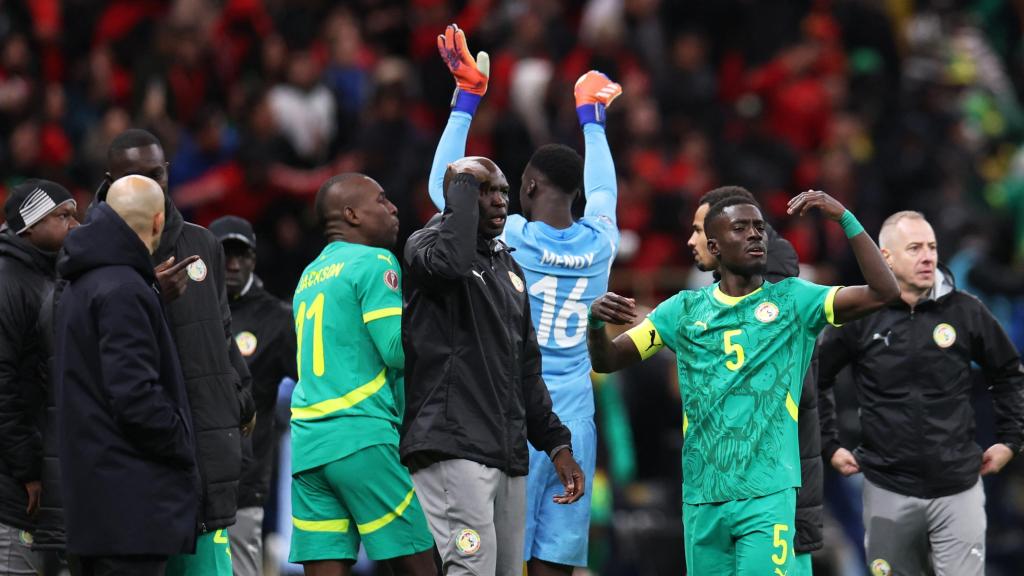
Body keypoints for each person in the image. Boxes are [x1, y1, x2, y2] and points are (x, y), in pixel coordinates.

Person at [587, 191, 900, 575]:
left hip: (766, 496)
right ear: (714, 247)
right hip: (702, 499)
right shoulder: (681, 311)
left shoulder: (795, 301)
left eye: (758, 227)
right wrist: (595, 323)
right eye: (741, 228)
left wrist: (845, 218)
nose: (755, 235)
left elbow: (884, 292)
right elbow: (606, 360)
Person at [424, 23, 620, 575]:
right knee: (555, 560)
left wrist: (466, 99)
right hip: (573, 420)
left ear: (528, 188)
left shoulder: (511, 237)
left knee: (495, 556)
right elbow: (604, 191)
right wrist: (592, 118)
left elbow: (446, 189)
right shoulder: (601, 242)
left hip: (511, 413)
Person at [402, 154, 584, 576]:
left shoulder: (508, 268)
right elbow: (451, 263)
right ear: (459, 197)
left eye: (503, 190)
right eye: (484, 190)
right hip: (452, 445)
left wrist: (557, 444)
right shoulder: (425, 245)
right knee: (471, 567)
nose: (500, 200)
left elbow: (525, 369)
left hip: (506, 452)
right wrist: (461, 188)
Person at [816, 210, 1024, 576]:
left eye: (931, 247)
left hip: (958, 486)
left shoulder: (966, 312)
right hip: (886, 487)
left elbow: (1008, 373)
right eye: (914, 248)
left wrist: (1011, 439)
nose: (928, 256)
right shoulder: (860, 317)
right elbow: (815, 378)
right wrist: (829, 444)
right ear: (886, 257)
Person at [102, 129, 255, 576]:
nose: (149, 187)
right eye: (133, 177)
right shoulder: (87, 254)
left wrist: (238, 397)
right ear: (110, 180)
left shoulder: (202, 243)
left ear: (168, 173)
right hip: (134, 468)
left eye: (156, 175)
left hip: (203, 462)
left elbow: (223, 335)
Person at [288, 174, 436, 575]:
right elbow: (396, 351)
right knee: (423, 566)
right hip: (360, 438)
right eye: (383, 199)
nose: (394, 208)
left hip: (307, 445)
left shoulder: (309, 275)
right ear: (351, 214)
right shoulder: (374, 261)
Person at [54, 175, 198, 576]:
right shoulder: (123, 288)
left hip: (98, 502)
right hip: (130, 510)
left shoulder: (82, 282)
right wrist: (182, 440)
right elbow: (135, 397)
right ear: (158, 222)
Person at [688, 185, 823, 574]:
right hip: (740, 488)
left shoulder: (775, 287)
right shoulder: (721, 294)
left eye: (699, 229)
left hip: (773, 491)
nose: (692, 240)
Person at [210, 216, 296, 576]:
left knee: (242, 569)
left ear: (254, 260)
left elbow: (311, 383)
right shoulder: (186, 305)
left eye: (241, 254)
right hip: (188, 479)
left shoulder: (276, 318)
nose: (233, 264)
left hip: (244, 481)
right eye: (225, 254)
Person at [0, 180, 78, 574]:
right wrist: (28, 468)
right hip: (15, 486)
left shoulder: (45, 275)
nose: (74, 224)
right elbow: (2, 386)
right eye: (62, 215)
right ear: (29, 226)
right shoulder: (8, 281)